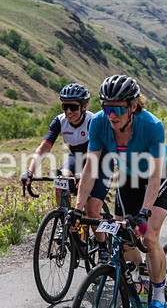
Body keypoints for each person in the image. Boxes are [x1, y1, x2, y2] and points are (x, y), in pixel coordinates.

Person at [73, 74, 167, 308]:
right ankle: (139, 281)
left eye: (117, 109)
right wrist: (77, 209)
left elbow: (155, 177)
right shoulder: (99, 123)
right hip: (129, 175)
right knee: (124, 237)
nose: (111, 115)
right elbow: (90, 168)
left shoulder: (152, 126)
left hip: (158, 174)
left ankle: (159, 298)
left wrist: (144, 213)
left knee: (148, 236)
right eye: (106, 108)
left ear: (133, 106)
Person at [21, 84, 109, 243]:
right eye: (64, 106)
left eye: (73, 107)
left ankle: (103, 246)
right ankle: (65, 223)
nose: (68, 111)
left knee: (92, 209)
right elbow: (44, 147)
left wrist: (84, 177)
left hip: (100, 162)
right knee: (60, 181)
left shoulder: (93, 121)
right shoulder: (60, 121)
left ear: (84, 106)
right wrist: (30, 171)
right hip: (76, 157)